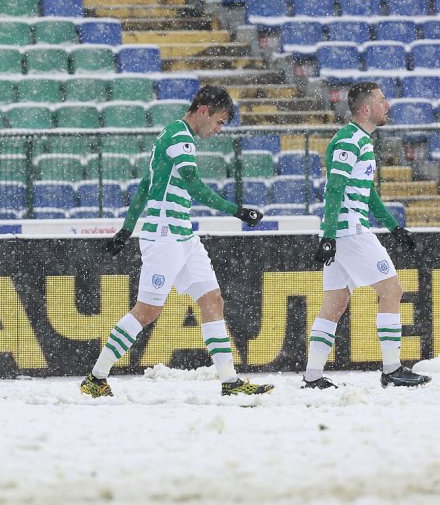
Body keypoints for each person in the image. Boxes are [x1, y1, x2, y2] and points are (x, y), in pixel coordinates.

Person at [80, 85, 274, 398]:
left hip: (182, 234)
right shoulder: (180, 137)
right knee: (146, 311)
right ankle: (96, 377)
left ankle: (230, 382)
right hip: (165, 234)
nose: (218, 130)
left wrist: (127, 230)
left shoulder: (169, 136)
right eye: (219, 122)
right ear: (203, 111)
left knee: (212, 300)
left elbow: (145, 186)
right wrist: (236, 210)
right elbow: (194, 186)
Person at [303, 82, 430, 389]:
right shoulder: (349, 140)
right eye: (382, 101)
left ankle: (312, 376)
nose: (387, 105)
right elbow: (334, 188)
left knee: (334, 303)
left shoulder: (360, 140)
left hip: (342, 231)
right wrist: (330, 235)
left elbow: (367, 192)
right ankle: (391, 369)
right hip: (348, 231)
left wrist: (394, 227)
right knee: (392, 290)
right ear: (365, 108)